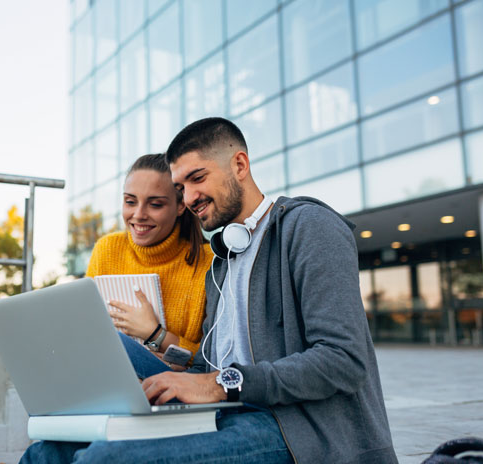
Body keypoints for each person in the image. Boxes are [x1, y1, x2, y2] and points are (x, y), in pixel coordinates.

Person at [21, 118, 397, 463]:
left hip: (296, 426)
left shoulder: (309, 227)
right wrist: (151, 383)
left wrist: (219, 384)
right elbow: (204, 368)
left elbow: (343, 360)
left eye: (197, 178)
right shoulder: (223, 259)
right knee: (47, 452)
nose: (188, 198)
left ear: (239, 165)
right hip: (231, 410)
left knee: (104, 459)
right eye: (181, 188)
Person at [85, 153, 213, 374]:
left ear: (181, 205)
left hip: (177, 390)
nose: (138, 214)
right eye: (130, 202)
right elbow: (85, 333)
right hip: (111, 379)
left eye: (155, 204)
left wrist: (155, 334)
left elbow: (214, 359)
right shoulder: (107, 250)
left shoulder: (209, 262)